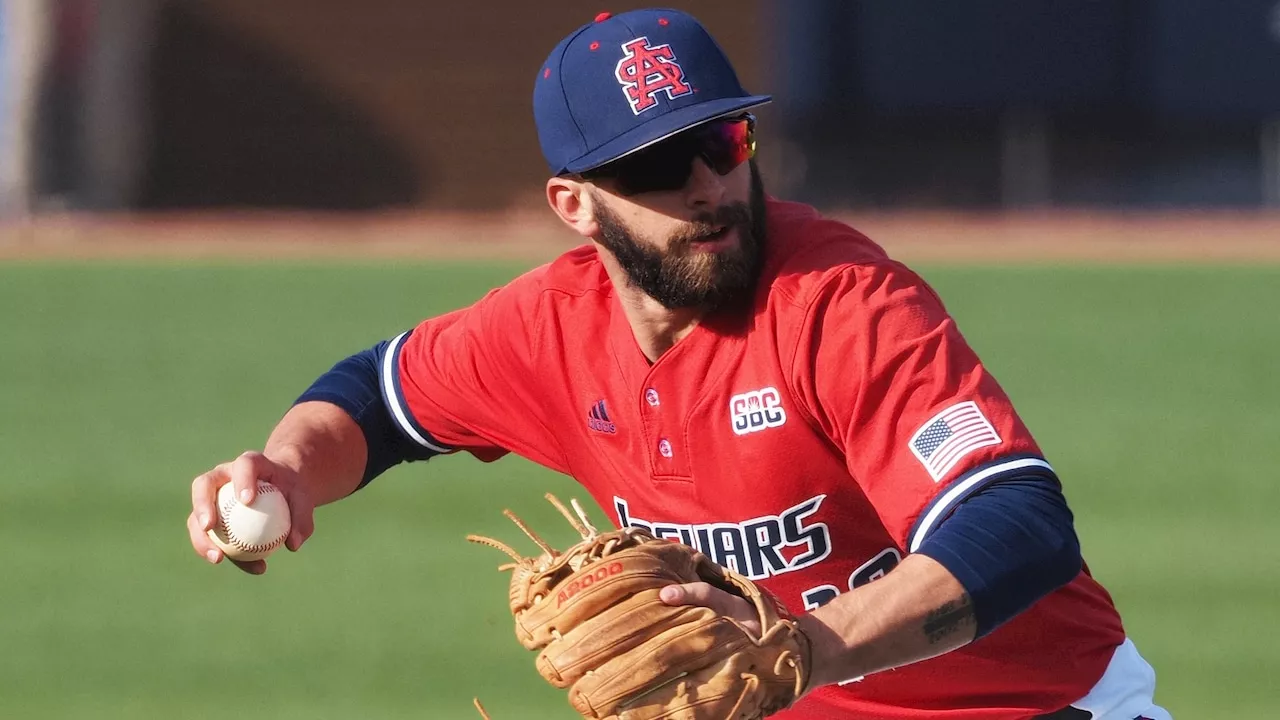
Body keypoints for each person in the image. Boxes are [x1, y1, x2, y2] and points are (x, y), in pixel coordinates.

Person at [186, 9, 1170, 720]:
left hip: (1034, 707)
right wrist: (281, 467)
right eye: (656, 164)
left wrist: (801, 650)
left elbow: (1016, 524)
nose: (705, 185)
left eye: (720, 139)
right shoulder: (546, 332)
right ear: (575, 204)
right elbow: (380, 396)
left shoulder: (841, 304)